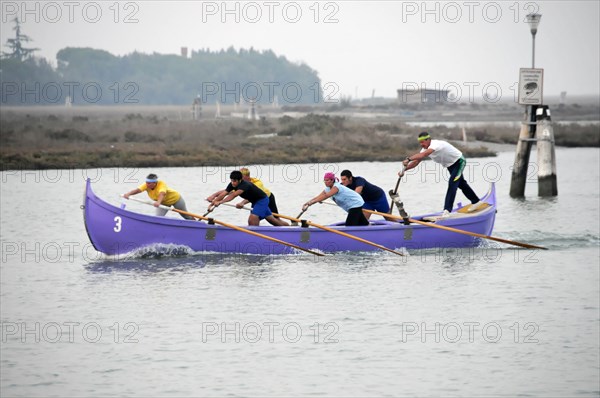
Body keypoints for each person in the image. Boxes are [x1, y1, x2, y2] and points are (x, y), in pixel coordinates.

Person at [399, 132, 483, 217]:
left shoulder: (436, 144)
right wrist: (404, 170)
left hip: (459, 162)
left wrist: (408, 159)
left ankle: (447, 210)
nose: (421, 144)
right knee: (461, 184)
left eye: (423, 142)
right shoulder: (424, 150)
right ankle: (476, 201)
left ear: (428, 140)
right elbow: (416, 162)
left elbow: (424, 154)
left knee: (452, 183)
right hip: (450, 166)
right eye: (420, 142)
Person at [206, 170, 288, 226]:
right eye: (231, 180)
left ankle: (254, 238)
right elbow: (224, 194)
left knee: (252, 219)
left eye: (235, 181)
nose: (233, 183)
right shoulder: (232, 184)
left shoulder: (245, 185)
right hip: (254, 201)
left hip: (262, 200)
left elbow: (233, 195)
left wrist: (220, 202)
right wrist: (212, 204)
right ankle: (289, 228)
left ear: (240, 180)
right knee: (272, 220)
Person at [302, 172, 369, 226]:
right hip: (351, 206)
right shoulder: (327, 189)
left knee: (349, 225)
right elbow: (318, 197)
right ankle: (368, 228)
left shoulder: (336, 187)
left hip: (355, 203)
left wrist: (314, 202)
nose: (325, 182)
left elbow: (326, 195)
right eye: (324, 180)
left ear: (332, 180)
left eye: (327, 180)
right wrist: (308, 203)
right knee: (363, 223)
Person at [123, 173, 194, 220]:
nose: (147, 184)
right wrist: (128, 194)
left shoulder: (161, 184)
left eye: (149, 183)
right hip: (163, 203)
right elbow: (137, 190)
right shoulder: (146, 185)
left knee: (185, 216)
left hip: (176, 200)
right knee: (158, 218)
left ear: (155, 183)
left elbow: (162, 193)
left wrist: (158, 202)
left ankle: (198, 224)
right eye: (146, 183)